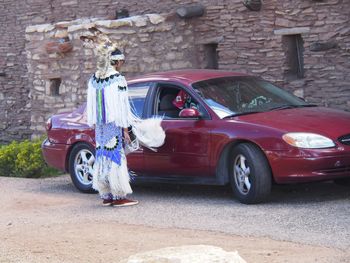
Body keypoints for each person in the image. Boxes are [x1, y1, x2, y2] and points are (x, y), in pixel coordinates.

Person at [84, 28, 165, 207]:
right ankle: (119, 196)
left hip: (100, 127)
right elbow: (121, 109)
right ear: (117, 61)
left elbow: (93, 108)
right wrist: (126, 129)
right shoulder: (118, 79)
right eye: (121, 61)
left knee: (102, 156)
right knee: (116, 157)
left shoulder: (94, 80)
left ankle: (106, 195)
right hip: (114, 125)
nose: (122, 64)